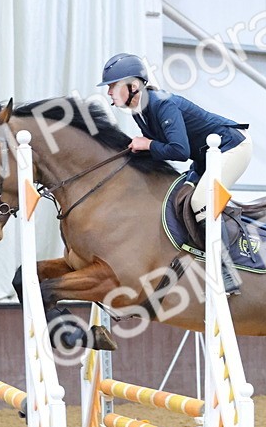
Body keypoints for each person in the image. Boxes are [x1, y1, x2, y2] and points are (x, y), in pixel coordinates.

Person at [99, 52, 251, 294]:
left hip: (232, 147)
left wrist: (147, 145)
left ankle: (226, 273)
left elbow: (180, 151)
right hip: (204, 158)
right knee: (180, 196)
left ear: (134, 86)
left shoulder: (162, 104)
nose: (109, 93)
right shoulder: (140, 110)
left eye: (113, 86)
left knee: (202, 200)